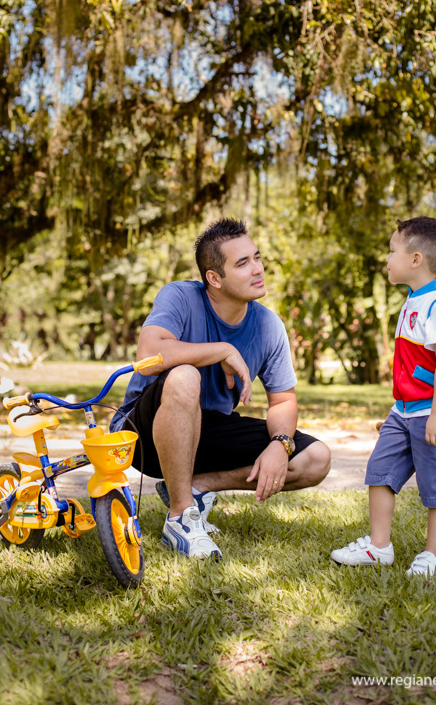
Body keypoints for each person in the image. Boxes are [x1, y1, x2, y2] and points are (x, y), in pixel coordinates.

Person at [111, 218, 331, 560]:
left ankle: (197, 487)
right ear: (214, 278)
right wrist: (222, 350)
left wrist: (280, 444)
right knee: (184, 376)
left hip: (207, 430)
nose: (258, 269)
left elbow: (283, 399)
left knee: (315, 459)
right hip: (144, 433)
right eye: (242, 263)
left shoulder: (269, 325)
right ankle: (181, 518)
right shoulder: (180, 296)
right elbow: (149, 357)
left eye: (257, 258)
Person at [330, 216, 436, 578]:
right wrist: (401, 410)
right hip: (405, 411)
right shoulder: (412, 301)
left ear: (416, 260)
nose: (387, 259)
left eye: (392, 251)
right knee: (380, 471)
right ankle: (379, 547)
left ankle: (433, 555)